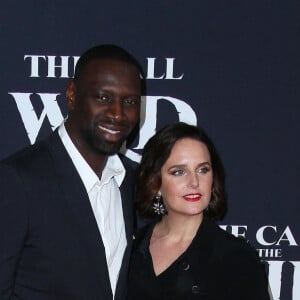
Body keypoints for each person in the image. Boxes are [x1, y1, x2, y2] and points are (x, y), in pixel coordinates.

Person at [0, 44, 143, 300]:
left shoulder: (129, 183)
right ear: (72, 95)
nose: (118, 114)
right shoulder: (17, 181)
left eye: (129, 101)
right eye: (103, 97)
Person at [126, 122, 271, 300]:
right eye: (179, 172)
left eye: (203, 170)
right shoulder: (129, 250)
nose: (194, 182)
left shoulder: (236, 258)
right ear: (155, 183)